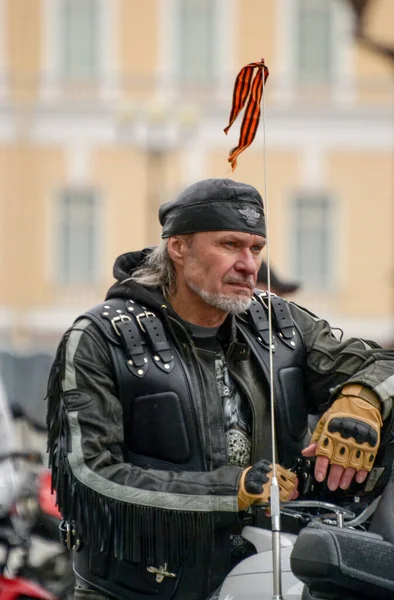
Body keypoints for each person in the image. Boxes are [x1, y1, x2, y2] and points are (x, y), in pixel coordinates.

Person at [46, 178, 394, 600]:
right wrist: (233, 490)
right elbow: (89, 478)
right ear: (178, 247)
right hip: (132, 591)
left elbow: (380, 364)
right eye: (230, 245)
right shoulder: (102, 337)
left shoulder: (279, 324)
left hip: (270, 578)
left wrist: (363, 399)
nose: (250, 265)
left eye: (256, 249)